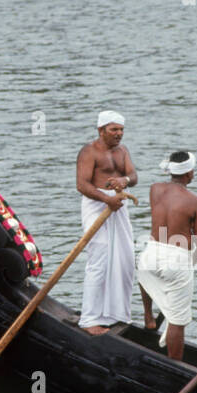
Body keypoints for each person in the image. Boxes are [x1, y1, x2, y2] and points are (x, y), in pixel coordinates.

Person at [136, 151, 197, 360]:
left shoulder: (155, 190)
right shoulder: (196, 202)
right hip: (176, 260)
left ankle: (148, 316)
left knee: (146, 271)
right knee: (178, 320)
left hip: (150, 253)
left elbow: (168, 218)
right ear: (189, 174)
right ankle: (175, 365)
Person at [76, 110, 137, 334]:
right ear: (101, 131)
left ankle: (115, 314)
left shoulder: (123, 151)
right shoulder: (89, 151)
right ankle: (89, 319)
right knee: (99, 256)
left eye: (121, 130)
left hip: (118, 205)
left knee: (125, 257)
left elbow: (134, 176)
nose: (119, 134)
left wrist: (125, 180)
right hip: (97, 206)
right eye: (114, 130)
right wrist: (106, 199)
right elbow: (82, 185)